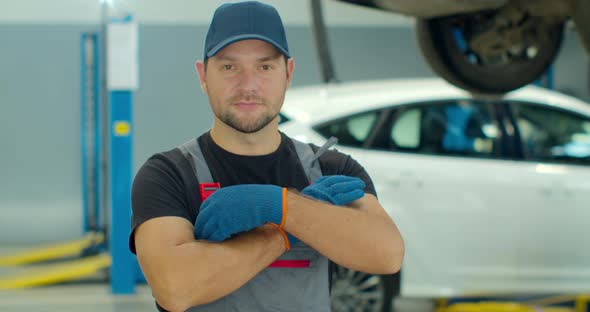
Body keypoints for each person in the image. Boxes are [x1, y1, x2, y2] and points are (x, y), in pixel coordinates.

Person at [130, 2, 404, 311]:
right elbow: (175, 288)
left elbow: (386, 254)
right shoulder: (169, 175)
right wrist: (286, 229)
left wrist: (281, 206)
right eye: (229, 67)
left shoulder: (330, 168)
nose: (248, 85)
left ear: (287, 72)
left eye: (264, 67)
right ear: (203, 75)